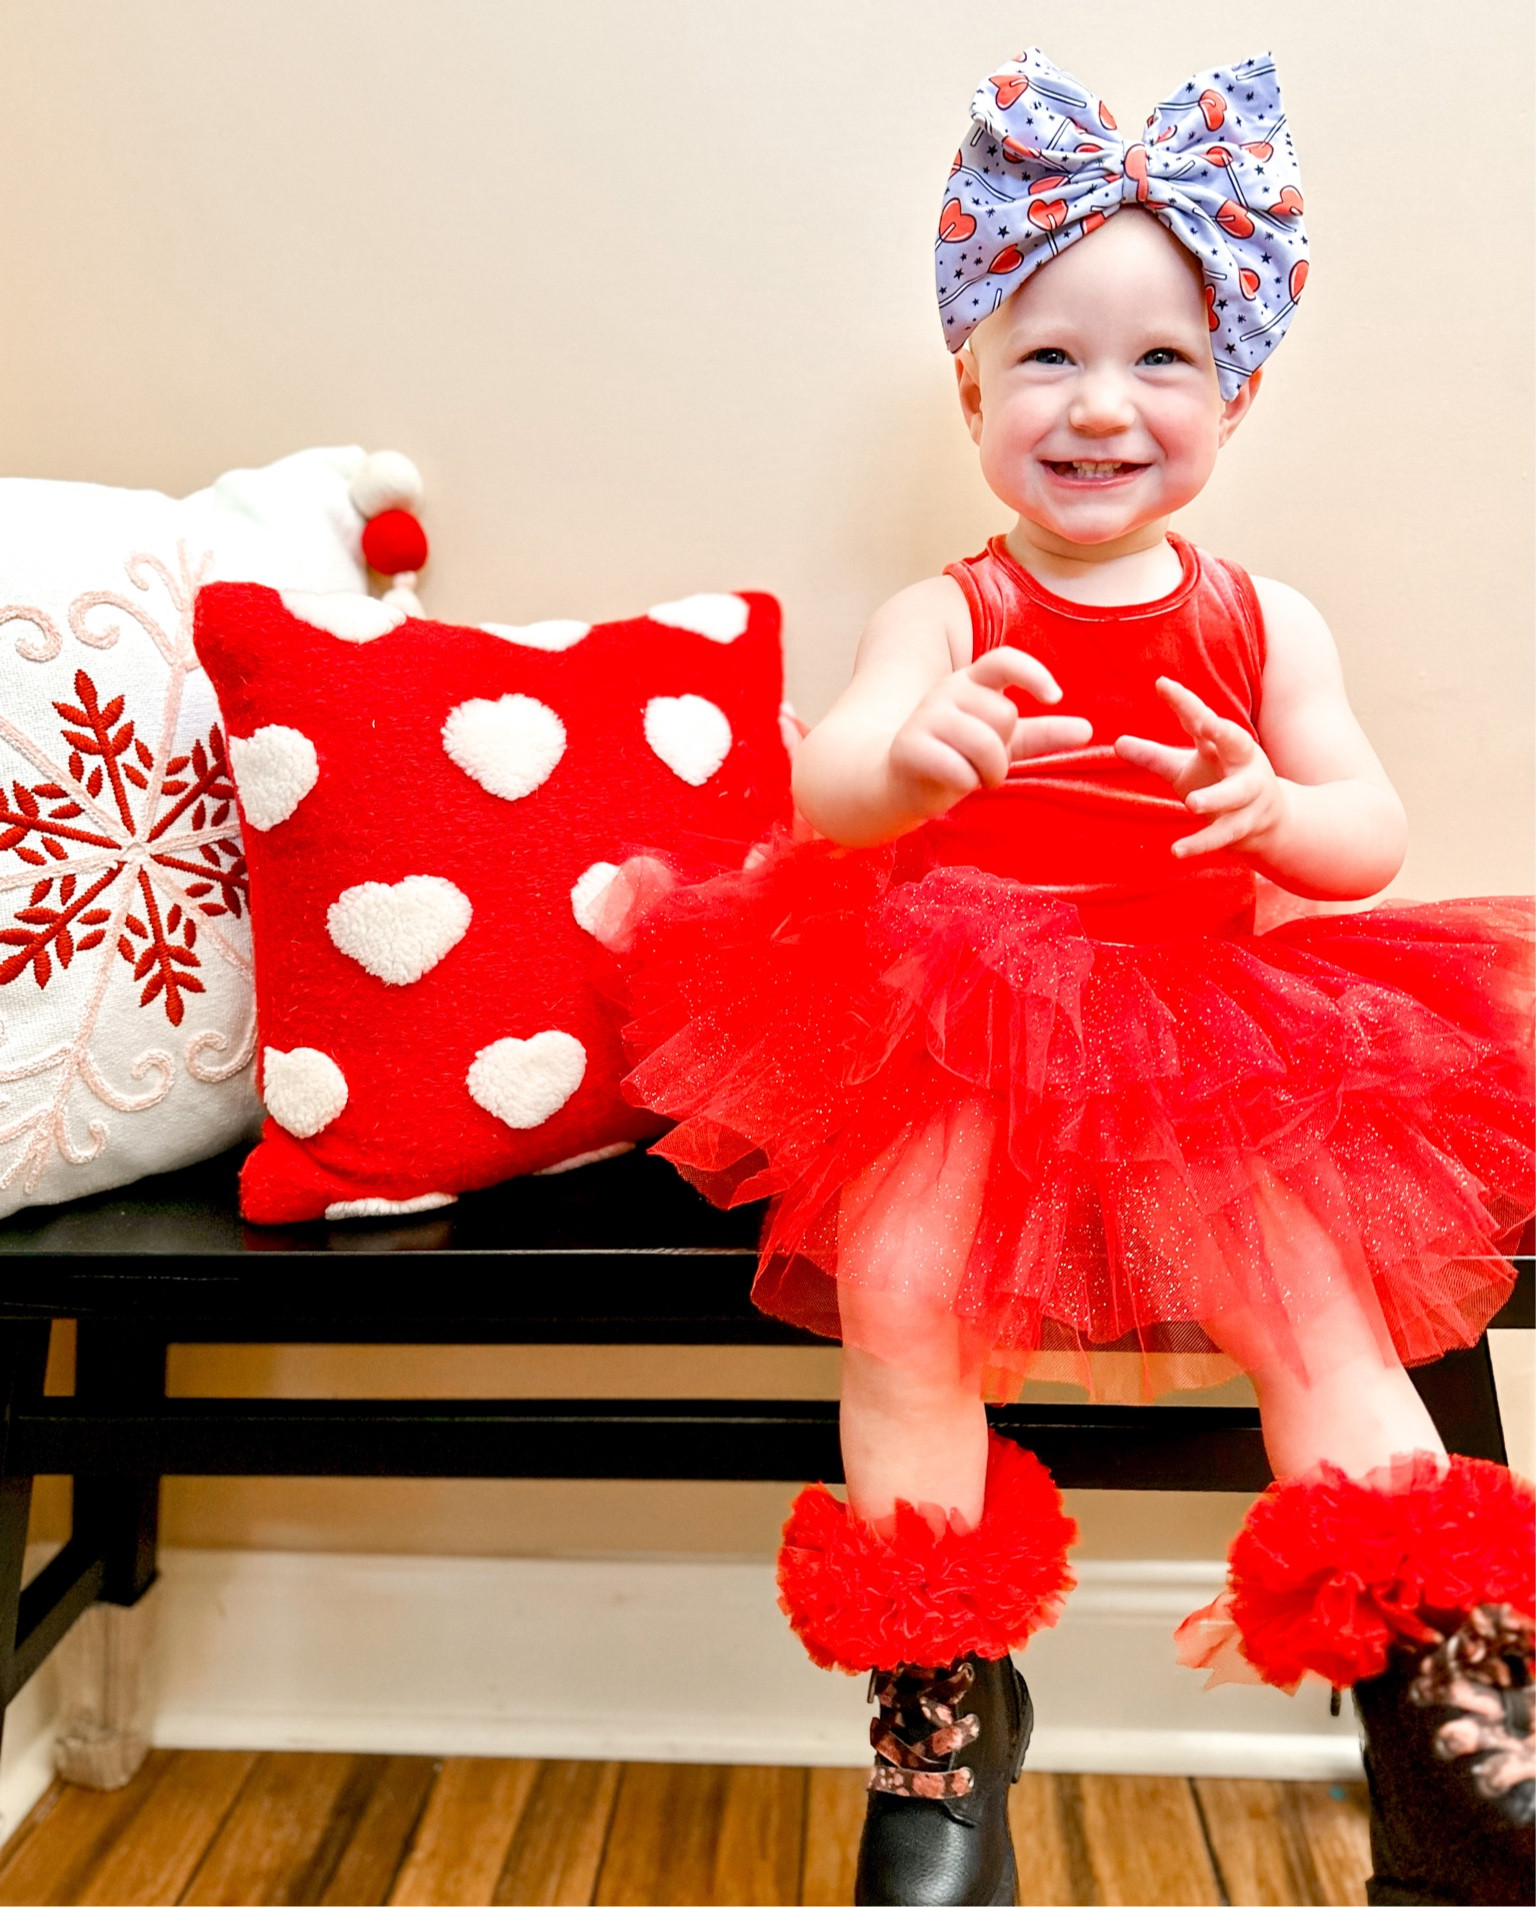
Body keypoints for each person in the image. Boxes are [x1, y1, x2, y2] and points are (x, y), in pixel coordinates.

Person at [603, 48, 1534, 1907]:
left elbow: (1367, 831)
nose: (1100, 405)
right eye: (1046, 356)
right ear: (970, 390)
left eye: (1161, 360)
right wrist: (918, 753)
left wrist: (1275, 806)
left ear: (1237, 392)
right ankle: (937, 1704)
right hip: (950, 1035)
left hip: (1207, 1037)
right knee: (910, 1304)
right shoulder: (950, 608)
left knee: (1322, 1315)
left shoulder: (1264, 618)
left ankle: (1458, 1678)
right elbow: (824, 778)